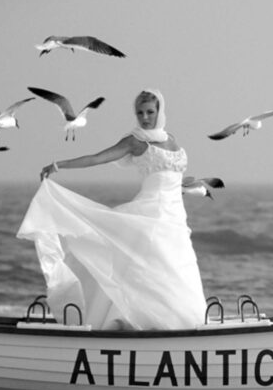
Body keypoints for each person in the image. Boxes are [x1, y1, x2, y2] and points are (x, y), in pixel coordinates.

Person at [17, 89, 207, 330]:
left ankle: (184, 325)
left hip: (175, 217)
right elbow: (97, 158)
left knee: (173, 269)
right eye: (140, 113)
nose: (145, 118)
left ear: (160, 111)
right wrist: (58, 165)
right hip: (151, 213)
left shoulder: (172, 139)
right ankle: (135, 322)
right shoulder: (135, 141)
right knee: (148, 268)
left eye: (150, 112)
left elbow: (173, 179)